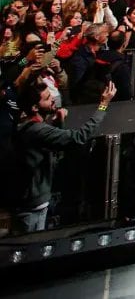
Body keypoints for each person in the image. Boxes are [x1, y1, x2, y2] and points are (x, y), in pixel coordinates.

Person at [12, 79, 117, 233]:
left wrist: (58, 124)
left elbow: (55, 145)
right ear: (34, 107)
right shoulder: (36, 130)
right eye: (47, 99)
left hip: (37, 201)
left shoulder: (30, 126)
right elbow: (79, 137)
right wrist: (103, 105)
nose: (53, 99)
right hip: (32, 207)